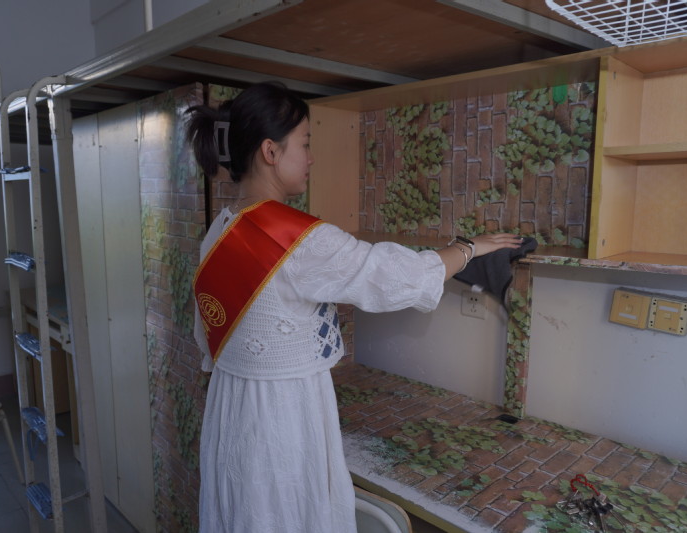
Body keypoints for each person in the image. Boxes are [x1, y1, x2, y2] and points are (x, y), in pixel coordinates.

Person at [186, 81, 522, 533]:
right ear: (270, 151)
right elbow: (390, 274)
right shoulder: (296, 239)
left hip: (231, 409)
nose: (310, 158)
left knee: (245, 512)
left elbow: (208, 333)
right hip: (282, 416)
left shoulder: (220, 230)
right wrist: (469, 248)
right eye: (305, 144)